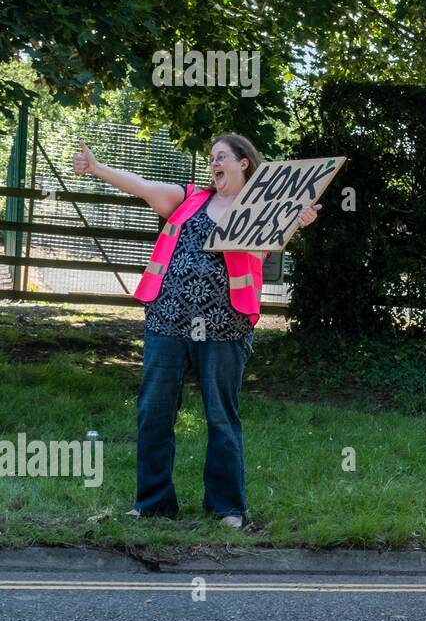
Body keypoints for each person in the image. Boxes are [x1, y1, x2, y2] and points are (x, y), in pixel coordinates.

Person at [73, 134, 321, 529]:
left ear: (243, 162)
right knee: (153, 413)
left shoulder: (259, 209)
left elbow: (261, 252)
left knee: (221, 417)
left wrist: (294, 222)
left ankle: (226, 507)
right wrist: (98, 168)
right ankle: (154, 503)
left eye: (221, 157)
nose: (213, 164)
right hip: (167, 321)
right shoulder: (189, 199)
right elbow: (141, 185)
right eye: (211, 159)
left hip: (225, 326)